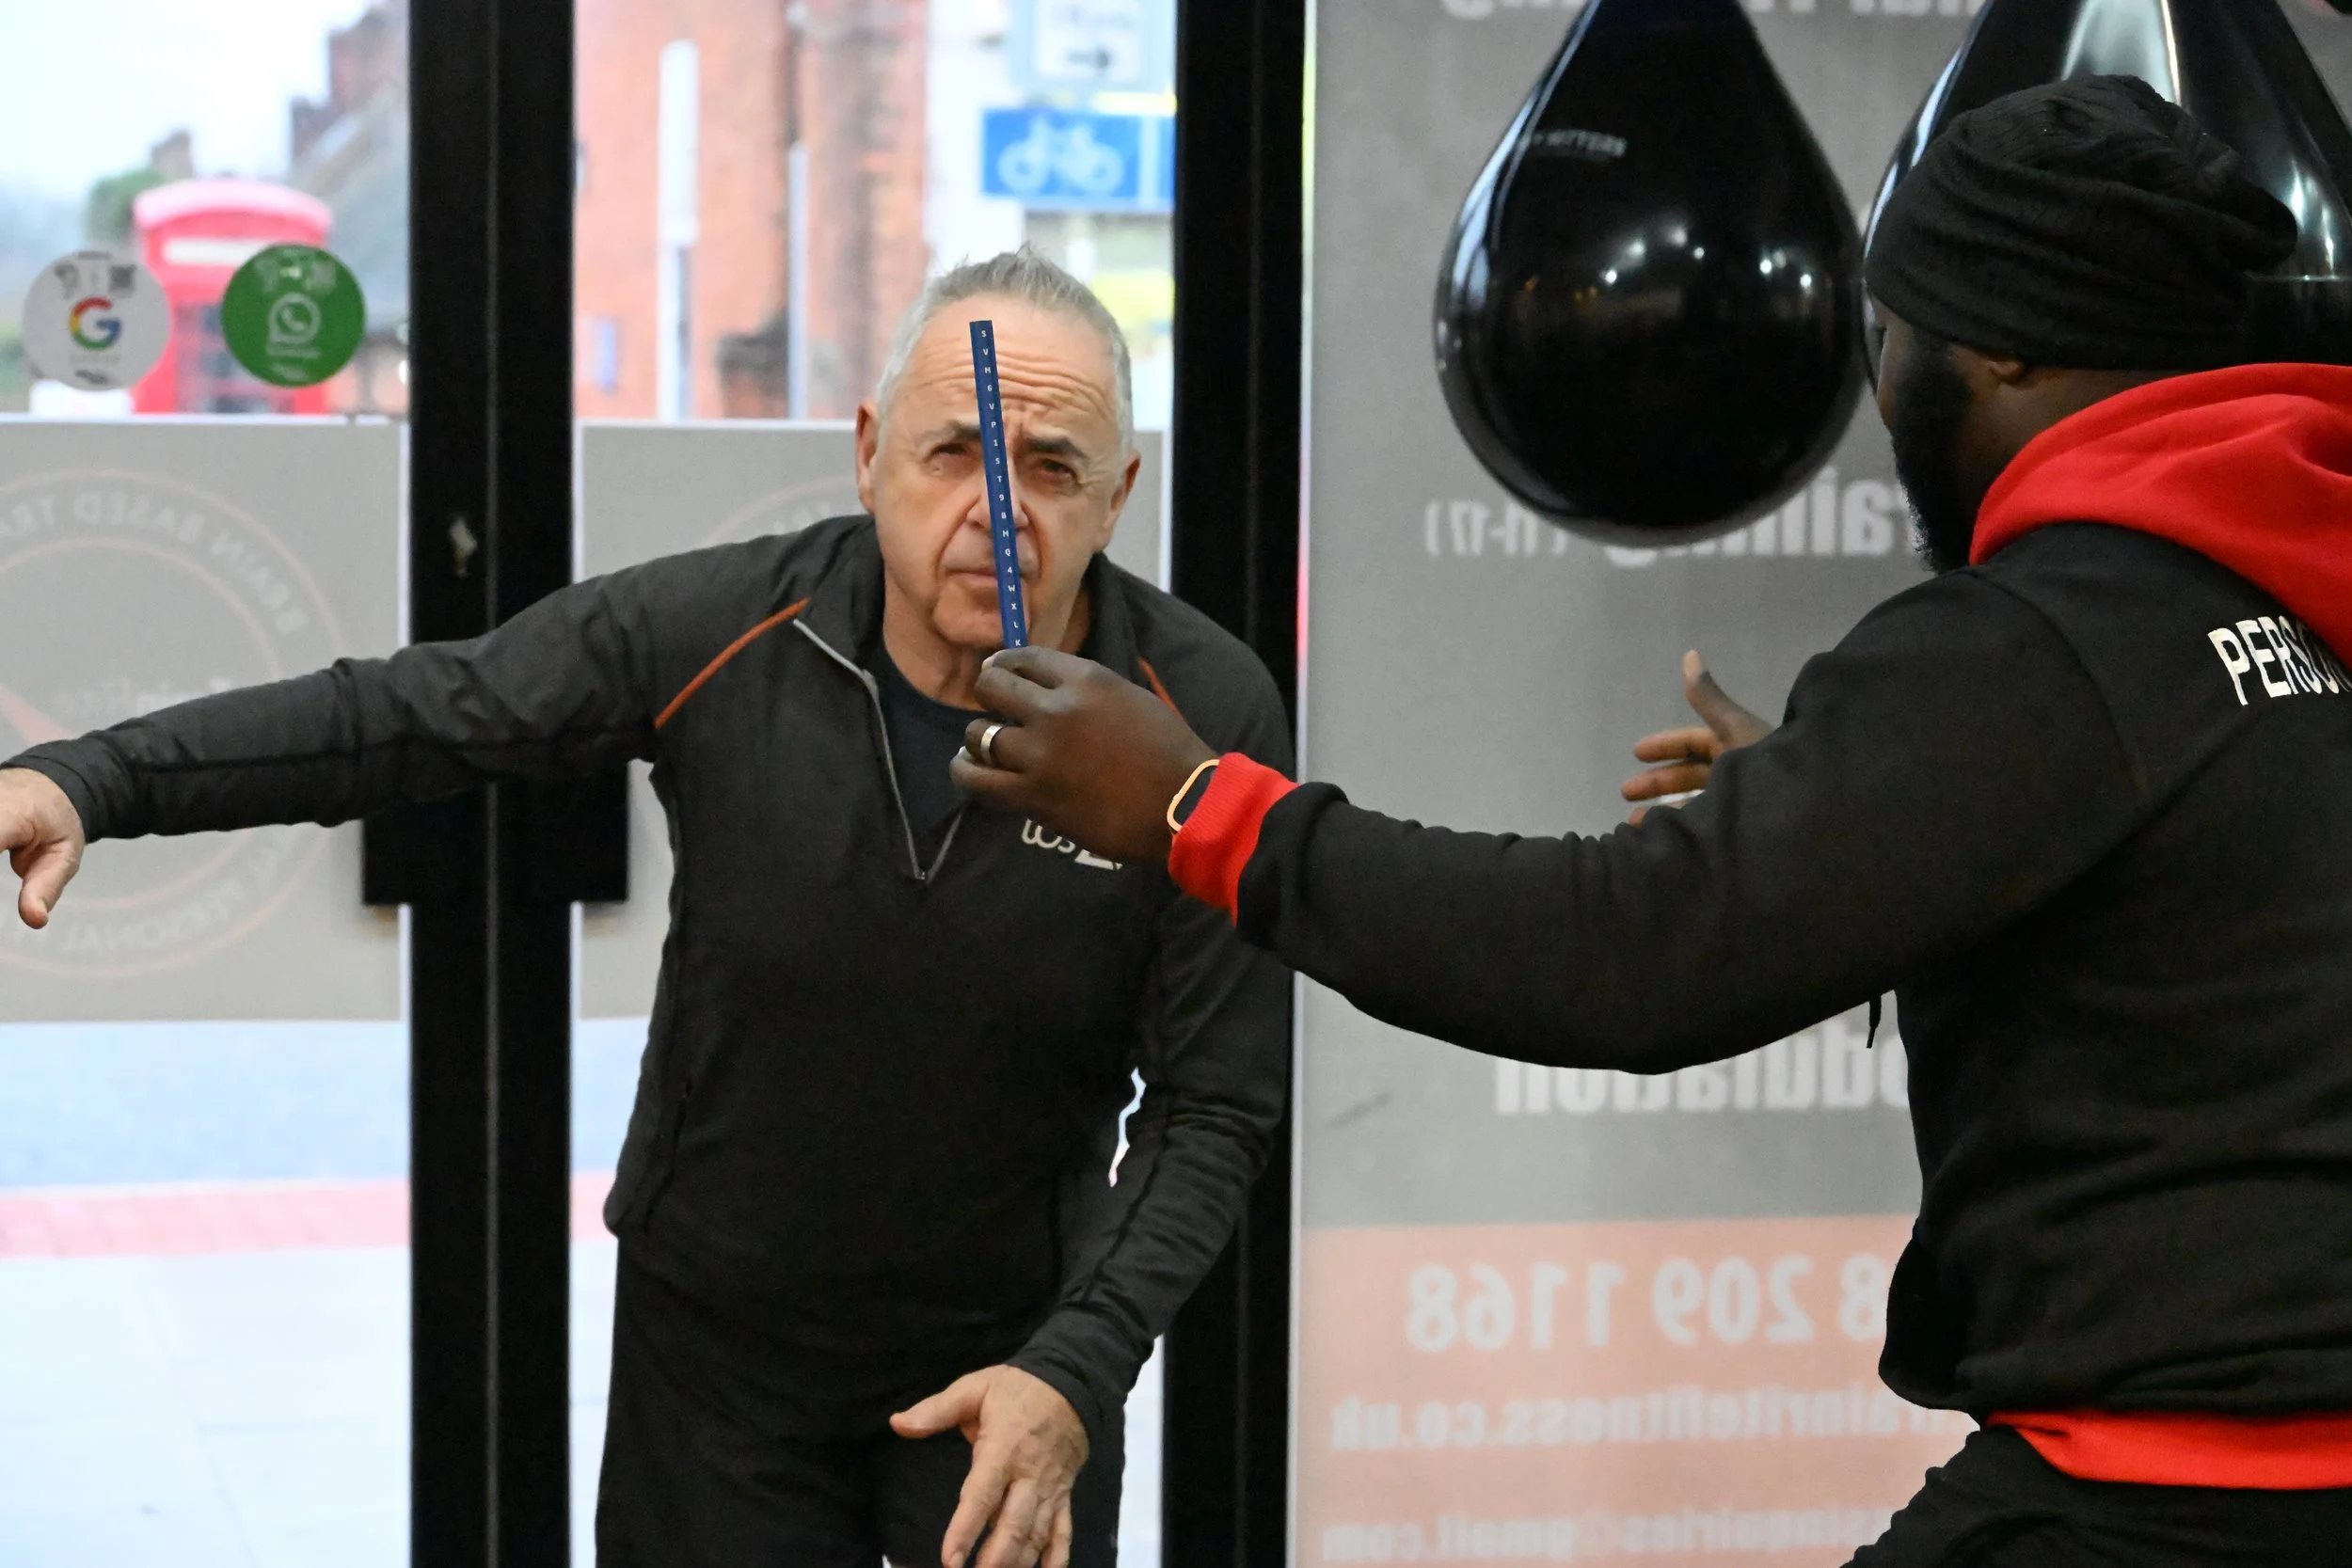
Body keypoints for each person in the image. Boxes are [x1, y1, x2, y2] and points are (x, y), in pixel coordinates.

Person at [948, 79, 2352, 1566]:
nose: (1884, 395)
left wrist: (1193, 805)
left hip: (2168, 1505)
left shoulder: (2032, 647)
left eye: (1894, 335)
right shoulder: (2285, 601)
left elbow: (1623, 955)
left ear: (1997, 343)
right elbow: (2196, 927)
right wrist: (1860, 806)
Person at [0, 250, 1294, 1568]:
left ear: (1121, 495)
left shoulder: (1197, 712)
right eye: (954, 451)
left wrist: (1078, 1366)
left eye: (1055, 469)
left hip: (1015, 1360)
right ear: (867, 456)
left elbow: (1216, 1098)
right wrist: (92, 778)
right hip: (722, 1355)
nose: (996, 509)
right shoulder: (728, 627)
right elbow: (401, 715)